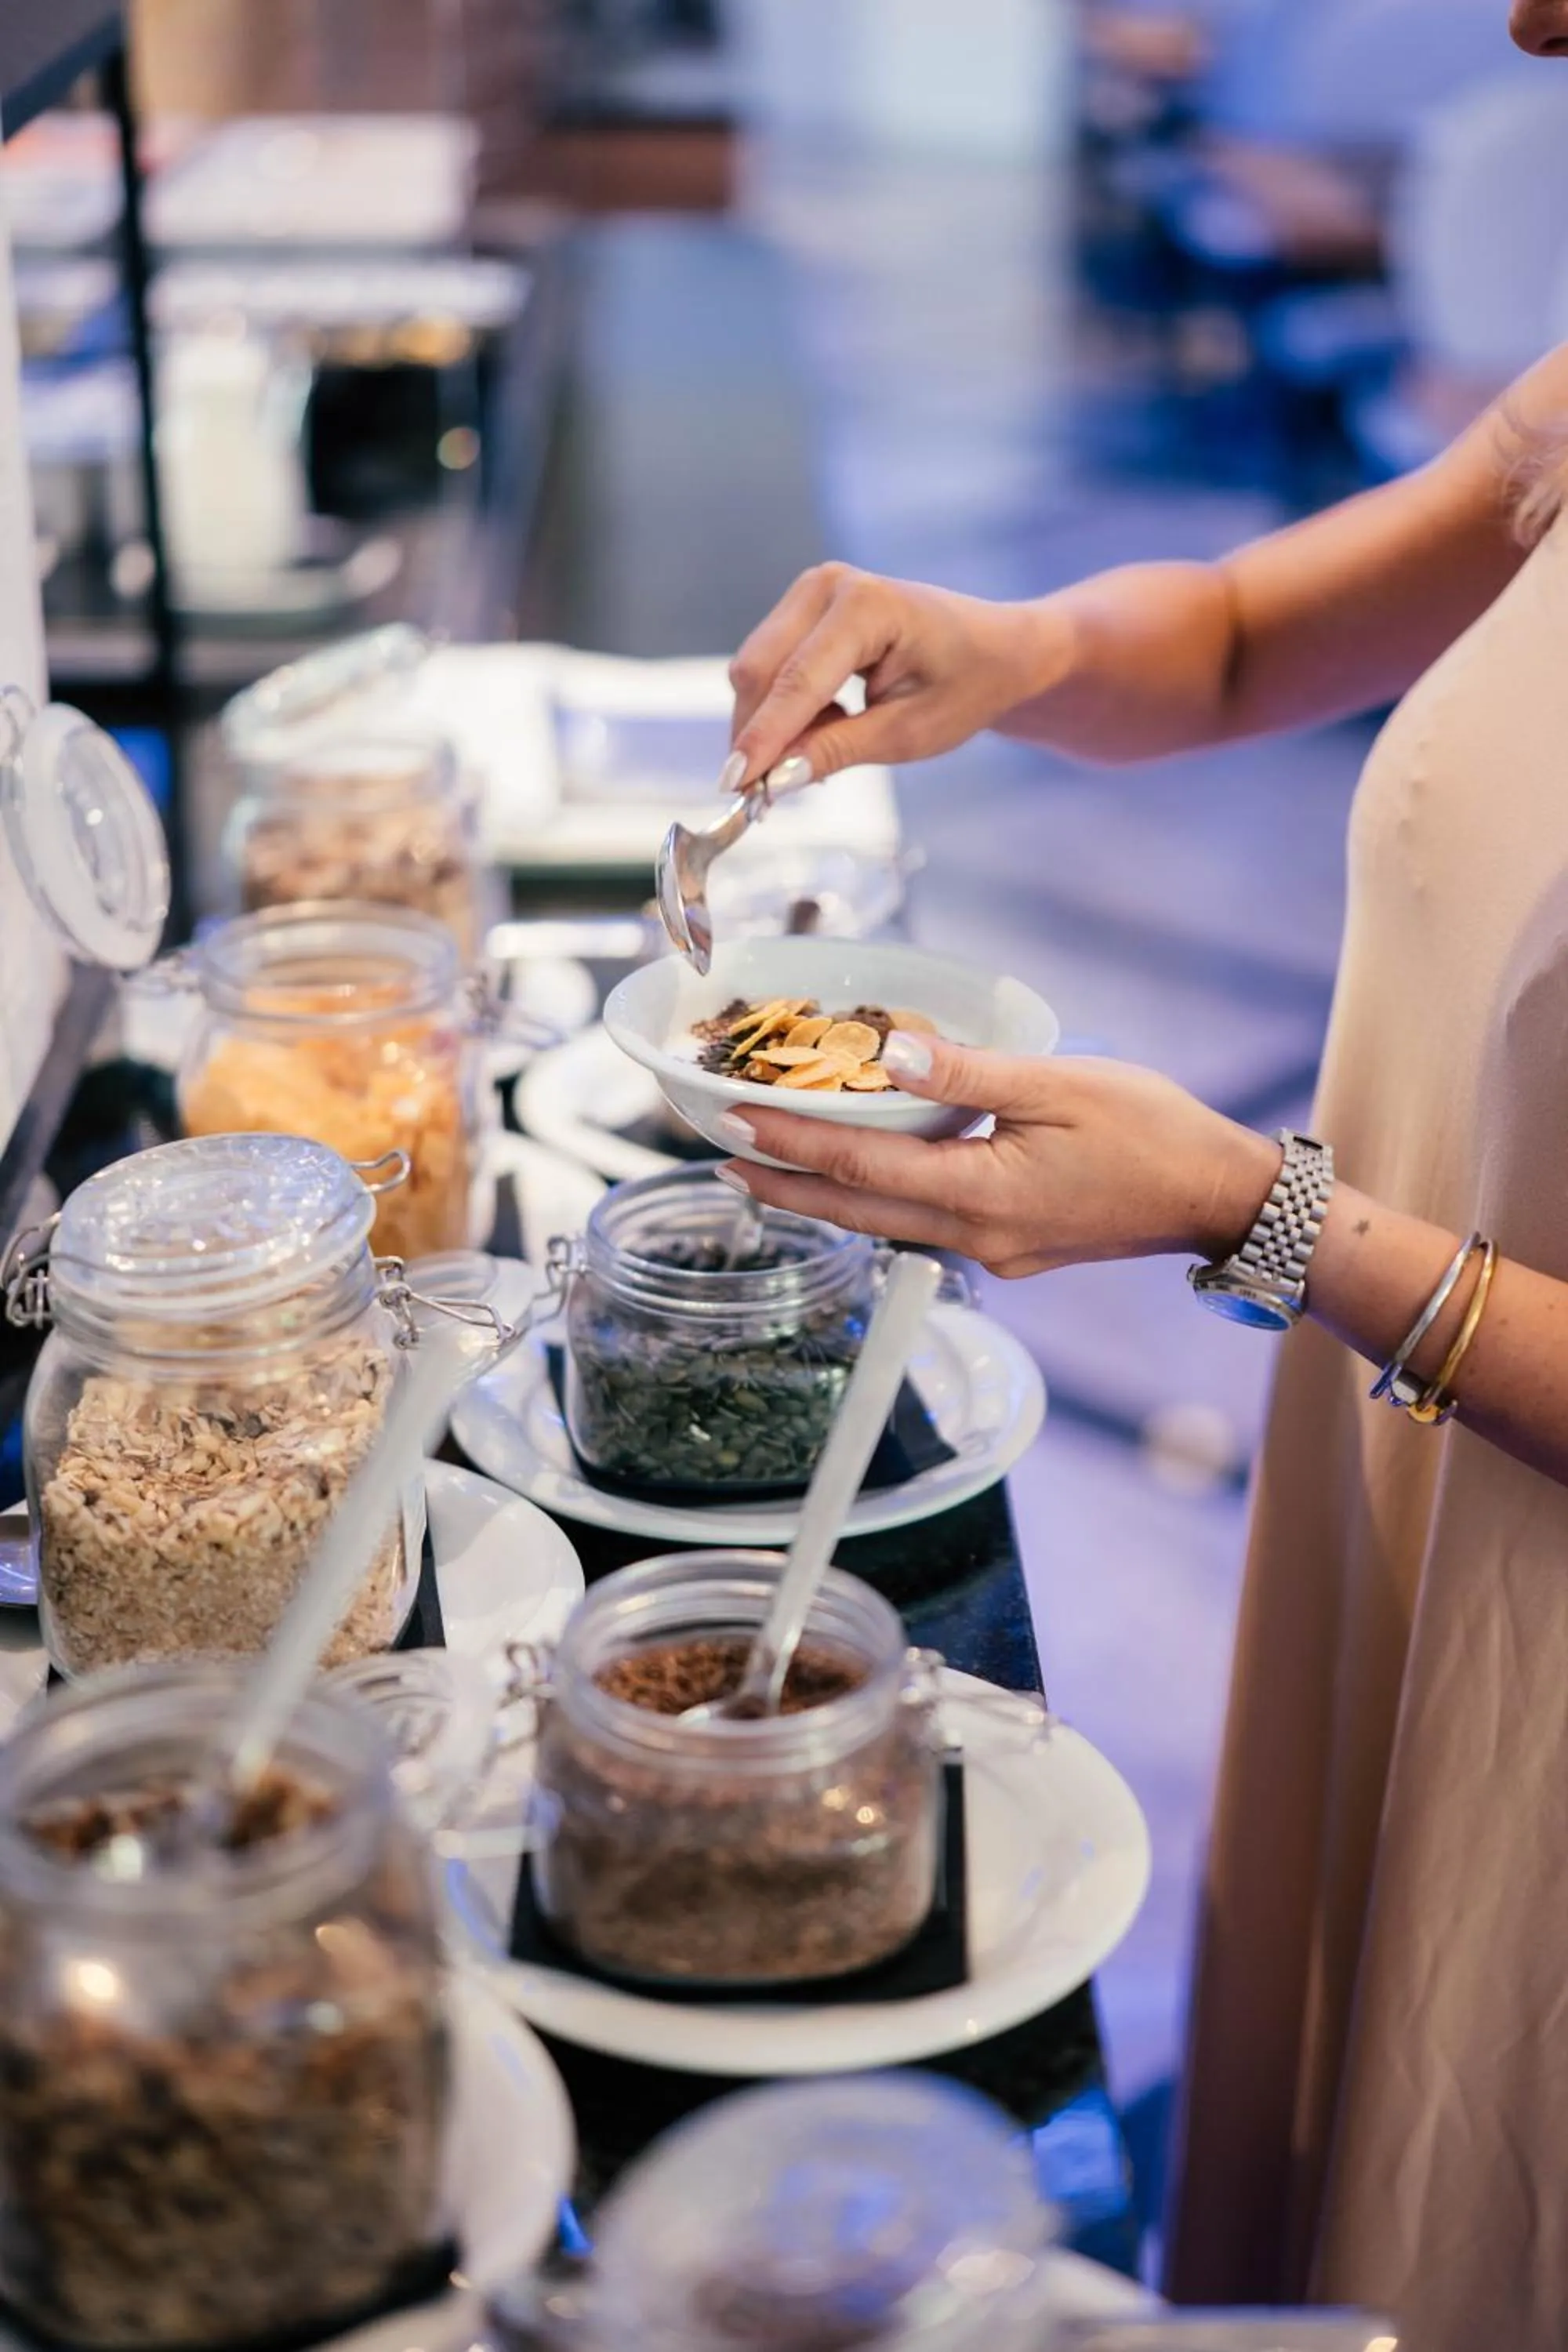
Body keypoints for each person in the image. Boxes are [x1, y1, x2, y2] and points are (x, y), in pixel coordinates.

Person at [706, 2, 1568, 2340]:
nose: (1519, 23)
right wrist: (1016, 648)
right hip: (1417, 1463)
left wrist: (1249, 1209)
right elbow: (1265, 628)